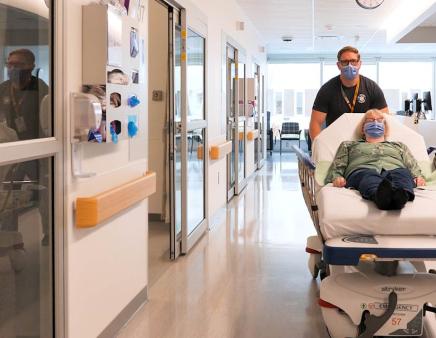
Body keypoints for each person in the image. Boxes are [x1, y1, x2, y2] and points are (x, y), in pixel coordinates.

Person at [327, 109, 426, 210]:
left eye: (379, 120)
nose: (375, 123)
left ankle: (401, 196)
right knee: (369, 175)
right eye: (370, 120)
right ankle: (380, 197)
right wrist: (337, 178)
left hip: (395, 169)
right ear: (362, 128)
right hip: (363, 170)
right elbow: (337, 166)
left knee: (403, 173)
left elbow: (412, 165)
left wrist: (418, 176)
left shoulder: (399, 146)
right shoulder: (348, 145)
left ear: (385, 127)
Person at [310, 46, 388, 141]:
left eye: (353, 61)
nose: (349, 65)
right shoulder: (327, 90)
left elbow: (385, 120)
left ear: (359, 64)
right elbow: (315, 123)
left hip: (365, 143)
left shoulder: (372, 88)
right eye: (345, 62)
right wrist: (318, 147)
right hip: (336, 142)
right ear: (338, 65)